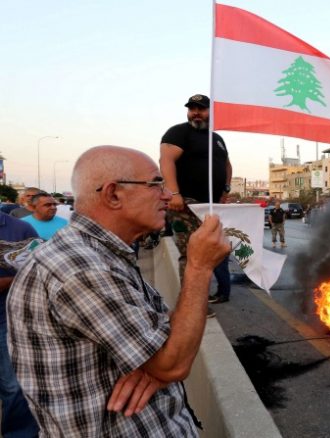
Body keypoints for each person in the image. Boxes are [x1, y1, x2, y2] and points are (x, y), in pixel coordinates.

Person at [6, 146, 230, 436]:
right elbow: (172, 364)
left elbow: (161, 343)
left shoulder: (100, 254)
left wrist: (154, 369)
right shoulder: (82, 267)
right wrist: (199, 268)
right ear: (113, 194)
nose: (167, 195)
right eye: (156, 184)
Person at [160, 94, 233, 307]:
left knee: (212, 252)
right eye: (192, 109)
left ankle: (204, 297)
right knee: (191, 255)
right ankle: (192, 304)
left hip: (211, 207)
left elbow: (227, 165)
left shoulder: (217, 139)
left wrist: (226, 189)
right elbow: (166, 160)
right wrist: (174, 193)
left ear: (210, 112)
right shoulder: (178, 132)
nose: (196, 113)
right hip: (186, 205)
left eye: (201, 109)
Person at [0, 211, 40, 437]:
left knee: (14, 385)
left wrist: (10, 281)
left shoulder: (21, 229)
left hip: (7, 319)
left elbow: (41, 269)